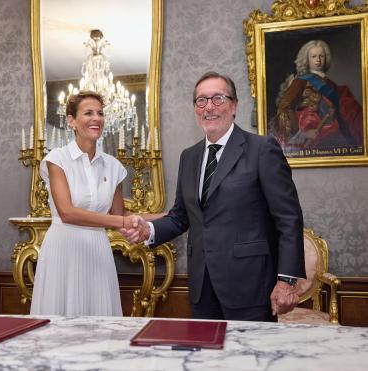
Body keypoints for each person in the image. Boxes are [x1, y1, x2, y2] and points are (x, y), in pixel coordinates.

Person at [122, 72, 306, 322]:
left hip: (249, 285)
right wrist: (149, 230)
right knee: (206, 360)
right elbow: (180, 217)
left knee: (251, 360)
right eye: (201, 100)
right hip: (201, 286)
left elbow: (288, 218)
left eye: (218, 99)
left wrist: (286, 281)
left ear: (234, 106)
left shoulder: (262, 150)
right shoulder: (189, 156)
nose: (209, 107)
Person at [30, 90, 141, 316]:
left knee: (99, 319)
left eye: (100, 113)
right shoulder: (56, 159)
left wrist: (167, 217)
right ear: (71, 120)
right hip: (63, 248)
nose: (96, 118)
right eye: (88, 113)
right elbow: (67, 213)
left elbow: (120, 218)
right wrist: (122, 220)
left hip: (98, 251)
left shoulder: (114, 166)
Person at [270, 40, 363, 150]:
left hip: (332, 131)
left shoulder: (331, 84)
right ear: (307, 59)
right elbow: (285, 107)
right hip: (310, 133)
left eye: (321, 56)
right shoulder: (300, 81)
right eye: (313, 56)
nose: (318, 60)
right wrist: (302, 133)